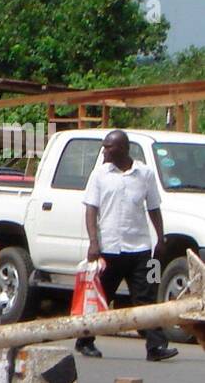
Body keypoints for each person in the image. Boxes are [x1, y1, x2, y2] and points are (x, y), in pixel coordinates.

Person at [75, 129, 177, 362]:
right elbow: (91, 209)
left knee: (148, 296)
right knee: (100, 298)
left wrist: (159, 239)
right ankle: (85, 341)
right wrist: (93, 243)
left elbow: (153, 208)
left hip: (141, 250)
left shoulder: (145, 174)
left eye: (108, 147)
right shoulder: (99, 175)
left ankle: (156, 347)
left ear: (122, 148)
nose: (104, 150)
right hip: (109, 249)